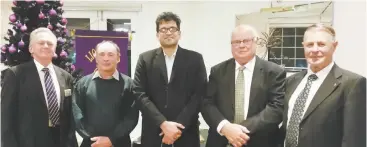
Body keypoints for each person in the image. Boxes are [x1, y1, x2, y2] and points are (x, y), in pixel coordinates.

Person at [280, 23, 366, 147]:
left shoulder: (352, 84)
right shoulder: (291, 81)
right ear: (303, 47)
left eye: (321, 44)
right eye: (310, 45)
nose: (315, 50)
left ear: (334, 46)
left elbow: (354, 138)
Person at [201, 24, 286, 147]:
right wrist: (225, 127)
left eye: (246, 41)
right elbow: (207, 103)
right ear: (231, 45)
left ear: (255, 42)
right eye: (236, 42)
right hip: (222, 141)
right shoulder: (218, 71)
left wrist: (238, 130)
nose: (241, 45)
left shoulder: (274, 72)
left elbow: (277, 108)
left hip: (260, 141)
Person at [133, 12, 207, 147]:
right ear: (157, 35)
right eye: (163, 29)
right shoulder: (145, 59)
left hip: (186, 131)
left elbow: (200, 94)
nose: (168, 33)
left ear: (179, 33)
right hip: (153, 132)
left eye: (172, 29)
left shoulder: (195, 59)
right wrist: (162, 123)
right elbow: (139, 93)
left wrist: (177, 127)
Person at [1, 27, 77, 147]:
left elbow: (69, 116)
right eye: (41, 43)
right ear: (31, 48)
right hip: (28, 142)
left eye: (50, 43)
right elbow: (6, 117)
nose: (46, 46)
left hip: (61, 142)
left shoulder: (66, 77)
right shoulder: (15, 75)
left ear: (54, 49)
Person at [72, 40, 139, 147]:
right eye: (101, 54)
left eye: (110, 55)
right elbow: (77, 114)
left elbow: (131, 117)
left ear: (118, 58)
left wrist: (112, 139)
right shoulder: (82, 84)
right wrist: (93, 139)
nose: (106, 58)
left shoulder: (129, 84)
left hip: (120, 143)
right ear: (95, 57)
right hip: (91, 143)